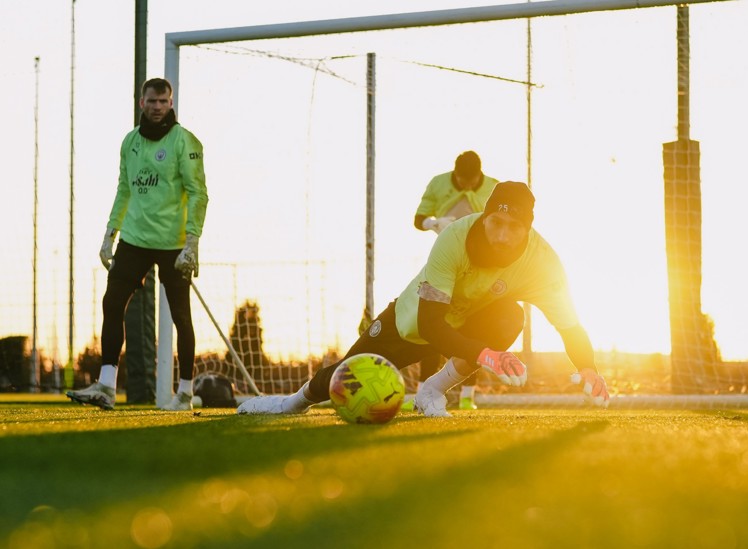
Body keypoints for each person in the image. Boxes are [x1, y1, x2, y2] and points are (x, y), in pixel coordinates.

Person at [239, 181, 610, 417]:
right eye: (496, 222)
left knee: (509, 318)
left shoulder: (543, 264)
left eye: (513, 227)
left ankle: (432, 392)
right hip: (412, 322)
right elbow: (432, 323)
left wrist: (588, 366)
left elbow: (570, 325)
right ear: (484, 216)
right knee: (340, 379)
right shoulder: (454, 239)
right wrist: (486, 354)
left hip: (468, 322)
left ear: (527, 229)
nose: (501, 234)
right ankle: (287, 404)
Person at [67, 77, 208, 411]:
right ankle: (105, 386)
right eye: (152, 101)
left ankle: (185, 392)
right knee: (112, 301)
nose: (158, 107)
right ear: (141, 102)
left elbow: (198, 192)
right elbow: (124, 189)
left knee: (180, 316)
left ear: (171, 103)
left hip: (174, 243)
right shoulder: (129, 141)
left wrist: (192, 241)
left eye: (163, 101)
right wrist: (109, 233)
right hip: (134, 240)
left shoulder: (185, 141)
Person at [406, 150, 500, 411]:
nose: (468, 186)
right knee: (432, 323)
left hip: (480, 269)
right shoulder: (438, 183)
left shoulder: (494, 188)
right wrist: (433, 223)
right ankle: (421, 393)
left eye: (472, 182)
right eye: (462, 180)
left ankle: (468, 397)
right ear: (455, 174)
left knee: (477, 327)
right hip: (444, 265)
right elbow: (417, 219)